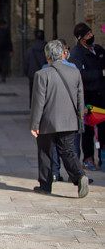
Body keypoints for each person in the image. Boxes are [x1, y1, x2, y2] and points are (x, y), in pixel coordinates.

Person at [30, 40, 89, 198]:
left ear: (47, 56)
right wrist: (79, 119)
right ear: (63, 54)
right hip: (69, 120)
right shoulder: (74, 72)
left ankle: (45, 185)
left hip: (47, 121)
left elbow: (38, 102)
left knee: (45, 152)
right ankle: (79, 176)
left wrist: (34, 124)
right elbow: (79, 98)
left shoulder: (42, 74)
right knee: (67, 151)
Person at [70, 23, 105, 171]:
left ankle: (102, 157)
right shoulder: (77, 54)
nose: (91, 36)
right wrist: (100, 73)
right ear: (81, 38)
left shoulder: (98, 50)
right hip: (89, 96)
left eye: (91, 33)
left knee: (103, 127)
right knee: (89, 129)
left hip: (102, 95)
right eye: (87, 35)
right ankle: (88, 157)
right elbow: (79, 75)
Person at [24, 30, 47, 104]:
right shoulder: (48, 50)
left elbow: (26, 63)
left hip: (33, 74)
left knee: (33, 93)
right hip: (46, 74)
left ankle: (33, 108)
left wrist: (27, 73)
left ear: (35, 37)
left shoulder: (30, 50)